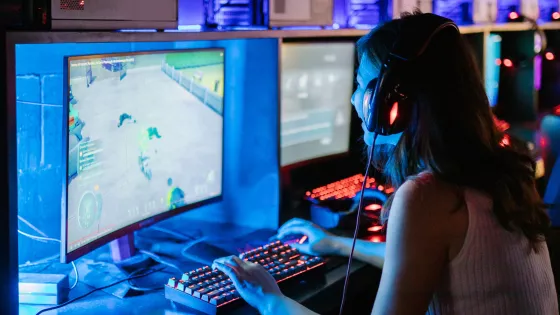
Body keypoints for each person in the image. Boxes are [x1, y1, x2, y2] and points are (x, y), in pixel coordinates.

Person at [213, 11, 559, 315]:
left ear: (393, 104)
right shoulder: (500, 170)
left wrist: (270, 300)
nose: (353, 98)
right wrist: (334, 243)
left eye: (364, 86)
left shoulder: (428, 196)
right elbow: (421, 263)